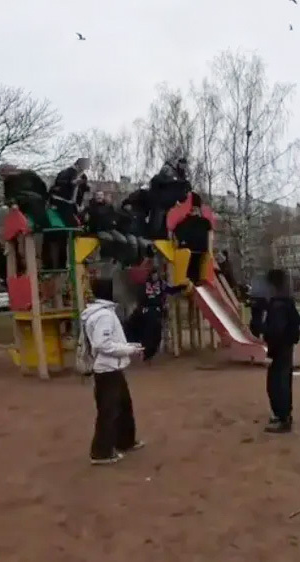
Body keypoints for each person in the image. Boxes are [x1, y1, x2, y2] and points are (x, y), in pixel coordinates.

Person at [80, 277, 145, 465]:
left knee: (123, 406)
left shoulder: (101, 313)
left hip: (112, 368)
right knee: (109, 410)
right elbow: (103, 344)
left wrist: (129, 347)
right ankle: (101, 452)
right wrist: (129, 350)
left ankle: (125, 441)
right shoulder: (104, 316)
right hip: (107, 369)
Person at [261, 269, 300, 433]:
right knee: (283, 380)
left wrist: (271, 352)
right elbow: (295, 323)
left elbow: (276, 330)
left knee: (276, 383)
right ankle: (283, 415)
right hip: (286, 347)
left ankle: (282, 418)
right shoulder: (286, 301)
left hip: (279, 348)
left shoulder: (278, 304)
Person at [127, 267, 186, 361]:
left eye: (156, 274)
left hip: (157, 310)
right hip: (145, 310)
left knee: (155, 330)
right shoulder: (143, 285)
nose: (155, 276)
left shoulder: (162, 284)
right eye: (153, 274)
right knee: (137, 326)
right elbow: (140, 299)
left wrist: (181, 287)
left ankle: (149, 351)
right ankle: (140, 348)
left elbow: (171, 290)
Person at [172, 194, 212, 286]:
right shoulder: (206, 223)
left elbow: (175, 242)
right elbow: (210, 241)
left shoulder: (180, 225)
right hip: (201, 256)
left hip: (184, 258)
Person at [146, 158, 192, 239]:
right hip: (160, 205)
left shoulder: (177, 179)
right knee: (157, 223)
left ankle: (162, 237)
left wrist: (184, 191)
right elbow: (159, 185)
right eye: (168, 171)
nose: (170, 173)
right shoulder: (159, 179)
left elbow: (177, 190)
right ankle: (154, 237)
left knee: (165, 223)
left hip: (168, 205)